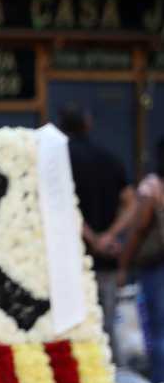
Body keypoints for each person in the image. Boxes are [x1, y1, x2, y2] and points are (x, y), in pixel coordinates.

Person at [60, 103, 136, 357]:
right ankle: (111, 381)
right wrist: (110, 236)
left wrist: (91, 238)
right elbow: (130, 202)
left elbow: (62, 205)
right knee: (107, 326)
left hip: (70, 261)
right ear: (88, 123)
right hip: (106, 259)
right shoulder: (109, 158)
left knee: (72, 328)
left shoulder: (59, 161)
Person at [120, 138, 164, 381]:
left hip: (157, 264)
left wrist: (123, 264)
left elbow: (138, 228)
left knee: (158, 329)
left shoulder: (152, 188)